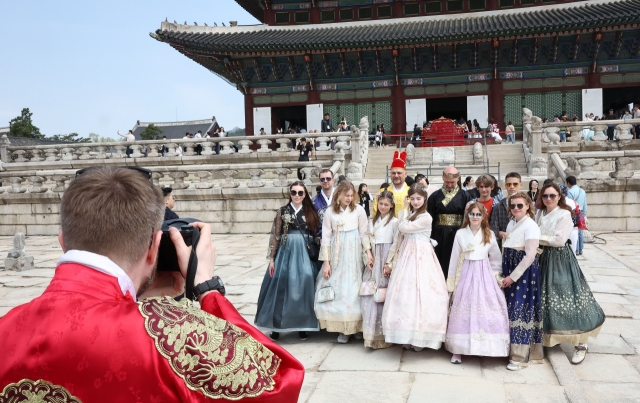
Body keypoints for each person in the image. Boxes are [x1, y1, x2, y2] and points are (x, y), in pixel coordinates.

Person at [0, 166, 304, 402]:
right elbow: (278, 381)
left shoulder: (6, 329)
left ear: (63, 242)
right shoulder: (174, 335)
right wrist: (207, 289)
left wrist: (134, 296)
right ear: (154, 247)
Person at [535, 183, 605, 364]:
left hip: (559, 260)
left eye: (552, 196)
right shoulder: (540, 213)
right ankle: (551, 337)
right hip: (542, 258)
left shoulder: (564, 214)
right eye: (545, 196)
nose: (548, 199)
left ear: (559, 197)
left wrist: (535, 239)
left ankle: (581, 343)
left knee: (568, 297)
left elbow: (559, 240)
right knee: (545, 298)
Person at [382, 184, 449, 351]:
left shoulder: (426, 217)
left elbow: (403, 227)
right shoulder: (410, 214)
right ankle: (406, 334)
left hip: (421, 254)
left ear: (424, 199)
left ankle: (421, 336)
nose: (415, 201)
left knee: (422, 291)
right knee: (405, 293)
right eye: (412, 199)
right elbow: (401, 232)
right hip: (407, 253)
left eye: (418, 198)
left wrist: (404, 210)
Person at [256, 181, 321, 341]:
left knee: (305, 282)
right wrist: (272, 258)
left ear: (305, 194)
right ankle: (277, 326)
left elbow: (316, 235)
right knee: (280, 284)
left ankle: (302, 325)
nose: (297, 196)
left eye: (300, 193)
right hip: (285, 252)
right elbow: (276, 236)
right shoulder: (282, 211)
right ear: (289, 193)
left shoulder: (311, 212)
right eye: (294, 192)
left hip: (304, 252)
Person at [446, 202, 509, 364]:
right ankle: (458, 350)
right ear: (467, 215)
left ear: (483, 217)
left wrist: (496, 276)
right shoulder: (460, 234)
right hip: (466, 272)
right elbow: (454, 258)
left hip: (483, 273)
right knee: (463, 308)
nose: (475, 217)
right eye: (472, 214)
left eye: (478, 214)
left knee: (486, 306)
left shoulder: (489, 234)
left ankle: (484, 346)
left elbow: (495, 258)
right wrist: (452, 281)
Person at [315, 181, 373, 344]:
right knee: (338, 286)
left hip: (354, 250)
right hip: (337, 251)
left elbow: (364, 233)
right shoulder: (329, 212)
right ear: (338, 195)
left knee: (354, 286)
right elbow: (326, 238)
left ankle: (357, 326)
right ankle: (342, 328)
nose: (349, 198)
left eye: (351, 195)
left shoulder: (359, 210)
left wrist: (368, 252)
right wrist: (326, 262)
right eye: (346, 195)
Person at [501, 192, 543, 371]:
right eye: (513, 206)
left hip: (523, 274)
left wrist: (513, 277)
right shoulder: (512, 223)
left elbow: (530, 256)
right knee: (509, 310)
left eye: (520, 205)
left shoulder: (531, 226)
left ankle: (519, 357)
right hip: (509, 269)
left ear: (528, 206)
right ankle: (507, 350)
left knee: (520, 309)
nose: (516, 208)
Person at [361, 191, 398, 349]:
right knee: (370, 292)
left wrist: (389, 263)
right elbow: (365, 238)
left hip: (385, 257)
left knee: (383, 293)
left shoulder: (395, 222)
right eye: (381, 204)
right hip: (373, 257)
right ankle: (370, 335)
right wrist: (368, 254)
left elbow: (396, 242)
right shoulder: (371, 221)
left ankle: (385, 334)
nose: (383, 207)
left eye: (386, 204)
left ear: (391, 206)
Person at [427, 166, 470, 278]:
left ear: (458, 178)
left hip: (458, 233)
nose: (449, 185)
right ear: (442, 178)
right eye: (447, 182)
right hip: (438, 235)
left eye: (452, 182)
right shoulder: (434, 196)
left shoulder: (465, 196)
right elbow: (429, 218)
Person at [490, 172, 522, 250]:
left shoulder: (527, 205)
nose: (511, 187)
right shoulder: (498, 206)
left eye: (515, 184)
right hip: (504, 246)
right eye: (508, 184)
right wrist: (499, 233)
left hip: (522, 246)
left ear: (520, 185)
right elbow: (493, 229)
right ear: (505, 186)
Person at [373, 151, 410, 217]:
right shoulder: (382, 192)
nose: (396, 176)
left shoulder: (411, 192)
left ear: (405, 174)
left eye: (399, 173)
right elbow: (375, 214)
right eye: (393, 173)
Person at [566, 176, 587, 256]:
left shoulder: (570, 192)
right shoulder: (582, 191)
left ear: (568, 183)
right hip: (581, 212)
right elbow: (585, 204)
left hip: (574, 212)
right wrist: (584, 213)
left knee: (574, 230)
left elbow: (570, 205)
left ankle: (576, 249)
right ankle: (580, 249)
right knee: (580, 230)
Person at [313, 169, 335, 233]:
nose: (325, 181)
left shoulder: (342, 198)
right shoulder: (313, 201)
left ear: (333, 180)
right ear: (319, 181)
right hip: (321, 238)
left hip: (340, 237)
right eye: (322, 179)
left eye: (328, 179)